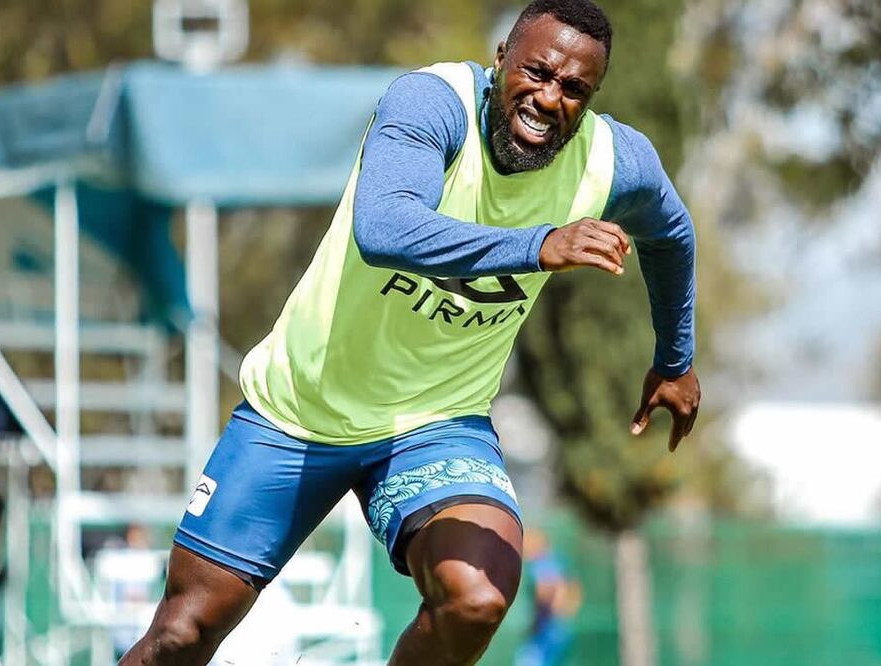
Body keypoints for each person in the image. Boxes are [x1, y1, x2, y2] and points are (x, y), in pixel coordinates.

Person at [121, 0, 700, 663]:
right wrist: (538, 244)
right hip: (298, 411)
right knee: (180, 635)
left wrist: (675, 359)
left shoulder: (611, 161)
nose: (549, 97)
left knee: (476, 598)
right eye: (537, 71)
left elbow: (672, 233)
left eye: (574, 89)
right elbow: (385, 227)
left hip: (436, 423)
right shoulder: (431, 104)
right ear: (501, 57)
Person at [515, 529, 581, 666]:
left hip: (546, 629)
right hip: (559, 628)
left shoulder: (540, 564)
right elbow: (574, 587)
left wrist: (549, 608)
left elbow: (548, 587)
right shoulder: (558, 560)